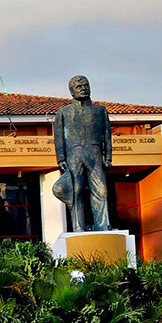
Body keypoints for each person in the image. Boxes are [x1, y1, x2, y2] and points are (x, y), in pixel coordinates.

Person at [53, 75, 113, 232]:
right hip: (74, 153)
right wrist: (61, 158)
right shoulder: (64, 112)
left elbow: (107, 134)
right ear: (72, 92)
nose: (84, 88)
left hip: (95, 152)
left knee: (101, 190)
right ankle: (78, 226)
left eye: (86, 85)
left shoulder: (100, 110)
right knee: (76, 190)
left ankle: (102, 225)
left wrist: (108, 157)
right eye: (79, 87)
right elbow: (58, 137)